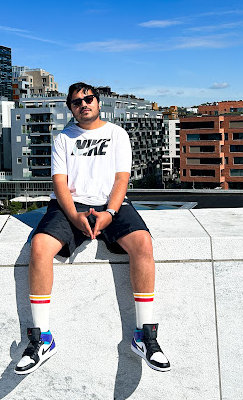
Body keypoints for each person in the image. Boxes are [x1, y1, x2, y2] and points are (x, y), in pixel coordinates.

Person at [14, 82, 170, 375]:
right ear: (71, 109)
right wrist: (74, 216)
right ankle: (41, 339)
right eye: (76, 102)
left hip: (112, 204)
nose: (83, 104)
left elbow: (122, 178)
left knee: (143, 244)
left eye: (88, 98)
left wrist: (110, 212)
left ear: (98, 102)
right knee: (40, 247)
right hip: (70, 206)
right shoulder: (63, 139)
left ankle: (145, 336)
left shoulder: (117, 134)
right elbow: (59, 182)